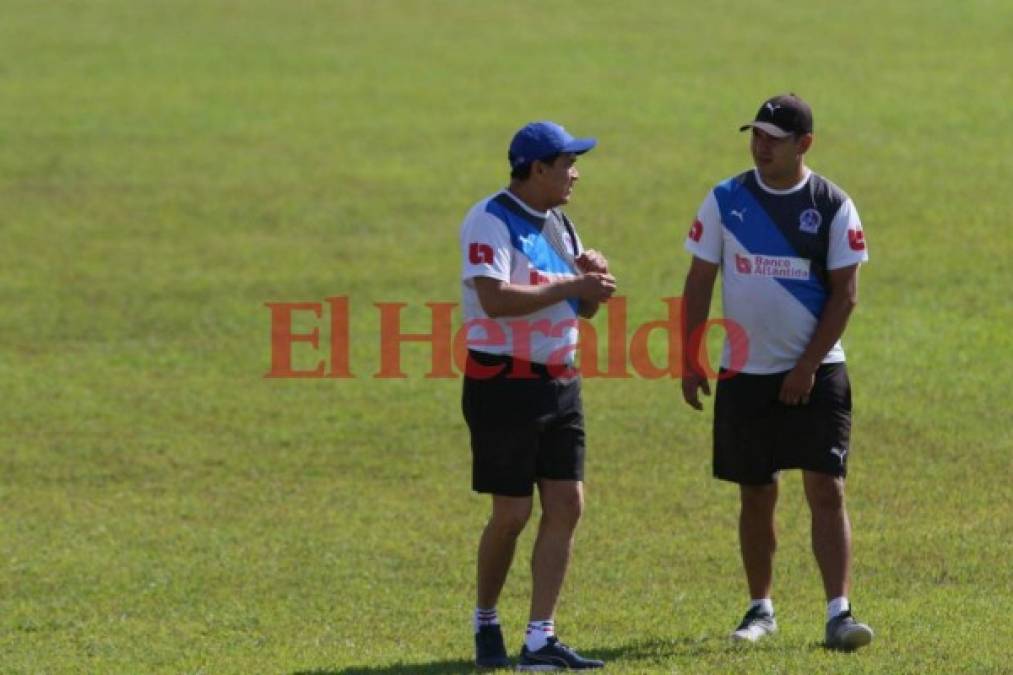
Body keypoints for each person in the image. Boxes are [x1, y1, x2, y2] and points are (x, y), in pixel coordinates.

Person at [680, 94, 874, 651]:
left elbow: (846, 295)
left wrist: (806, 366)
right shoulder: (726, 199)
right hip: (745, 372)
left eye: (773, 137)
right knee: (756, 493)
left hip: (818, 373)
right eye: (755, 135)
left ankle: (839, 613)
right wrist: (690, 356)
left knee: (826, 488)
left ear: (804, 144)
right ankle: (760, 609)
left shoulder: (833, 205)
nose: (760, 146)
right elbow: (699, 283)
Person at [459, 121, 614, 670]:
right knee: (512, 512)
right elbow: (495, 298)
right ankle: (486, 621)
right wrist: (574, 286)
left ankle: (539, 640)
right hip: (503, 381)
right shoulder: (490, 219)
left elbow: (581, 308)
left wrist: (590, 282)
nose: (575, 174)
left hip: (559, 380)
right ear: (537, 168)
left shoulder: (558, 225)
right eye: (567, 164)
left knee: (567, 504)